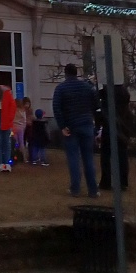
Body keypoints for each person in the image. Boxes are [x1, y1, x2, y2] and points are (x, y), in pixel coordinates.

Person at [52, 63, 98, 198]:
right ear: (76, 73)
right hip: (86, 124)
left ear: (66, 73)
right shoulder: (87, 87)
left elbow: (57, 108)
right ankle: (93, 189)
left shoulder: (61, 88)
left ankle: (75, 188)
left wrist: (62, 126)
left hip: (70, 126)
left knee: (73, 158)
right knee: (88, 158)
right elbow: (95, 104)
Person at [98, 83, 131, 191]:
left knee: (106, 156)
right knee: (122, 155)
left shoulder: (107, 91)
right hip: (123, 126)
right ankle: (123, 182)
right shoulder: (124, 92)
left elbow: (99, 100)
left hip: (109, 126)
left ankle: (106, 181)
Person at [0, 81, 16, 172]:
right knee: (2, 143)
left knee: (5, 144)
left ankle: (5, 163)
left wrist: (9, 119)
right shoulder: (3, 94)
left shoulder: (6, 94)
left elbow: (12, 107)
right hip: (0, 122)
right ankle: (3, 163)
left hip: (5, 122)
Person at [12, 97, 30, 164]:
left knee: (15, 142)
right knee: (21, 143)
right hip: (21, 128)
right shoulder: (22, 111)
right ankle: (24, 158)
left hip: (13, 127)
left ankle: (15, 156)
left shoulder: (13, 110)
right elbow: (24, 120)